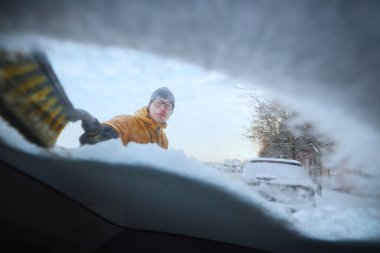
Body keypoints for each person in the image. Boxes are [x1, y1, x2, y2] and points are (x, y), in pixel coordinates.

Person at [79, 87, 175, 149]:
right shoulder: (128, 122)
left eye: (168, 105)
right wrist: (101, 133)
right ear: (149, 105)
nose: (162, 108)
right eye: (158, 102)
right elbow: (116, 125)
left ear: (171, 112)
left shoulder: (164, 140)